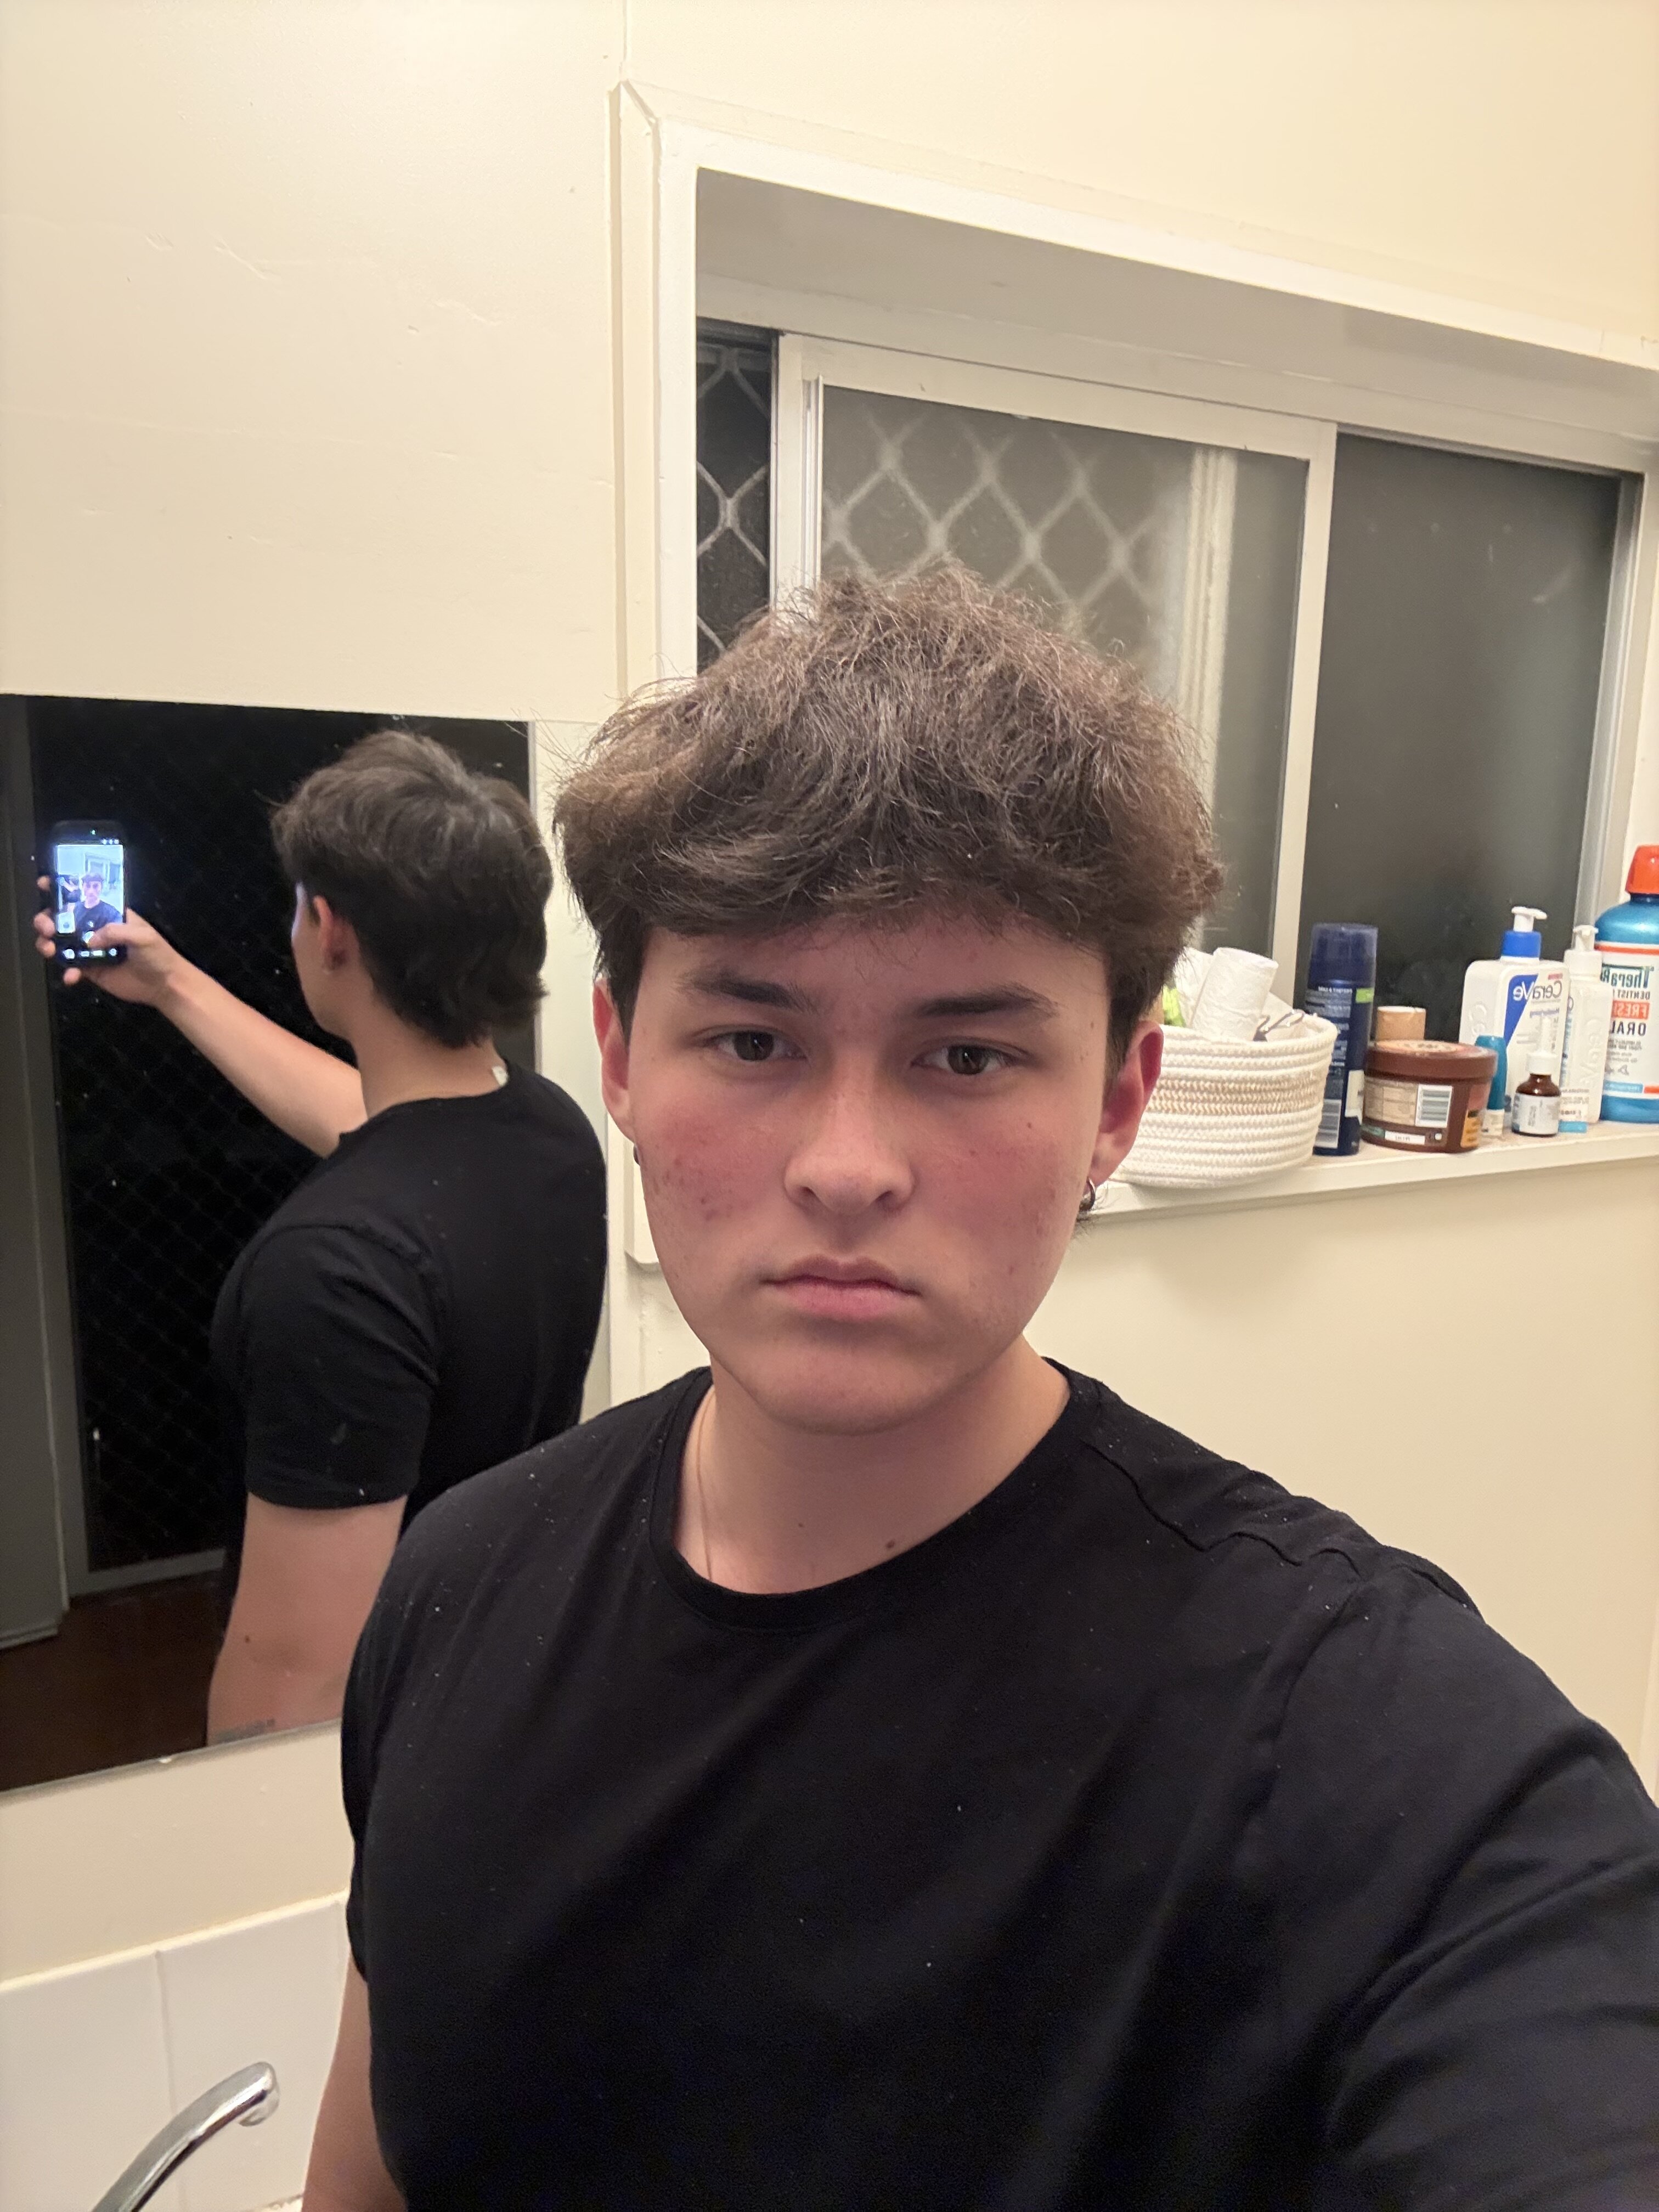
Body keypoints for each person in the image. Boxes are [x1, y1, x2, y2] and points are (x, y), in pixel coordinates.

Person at [304, 576, 1659, 2212]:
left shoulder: (1366, 1747)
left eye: (966, 1057)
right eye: (752, 1042)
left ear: (1120, 1100)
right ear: (619, 1056)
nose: (846, 1167)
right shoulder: (457, 1590)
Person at [36, 730, 606, 1743]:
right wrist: (170, 984)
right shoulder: (549, 1133)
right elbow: (376, 1120)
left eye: (301, 905)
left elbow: (296, 1681)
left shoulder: (333, 1272)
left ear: (331, 930)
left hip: (392, 1742)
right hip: (497, 1676)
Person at [72, 868, 122, 936]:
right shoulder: (77, 908)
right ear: (83, 887)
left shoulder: (112, 914)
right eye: (88, 886)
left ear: (101, 888)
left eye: (96, 886)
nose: (91, 891)